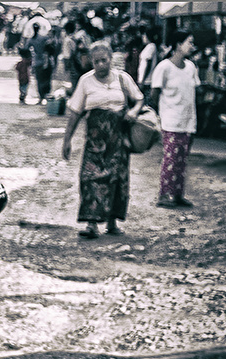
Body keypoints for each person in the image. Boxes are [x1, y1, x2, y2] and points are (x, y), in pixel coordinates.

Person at [62, 41, 144, 239]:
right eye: (96, 61)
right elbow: (75, 112)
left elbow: (139, 99)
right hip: (95, 141)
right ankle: (91, 224)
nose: (100, 65)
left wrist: (133, 111)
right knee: (89, 178)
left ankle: (112, 222)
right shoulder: (85, 81)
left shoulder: (122, 79)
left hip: (118, 140)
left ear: (110, 60)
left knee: (117, 179)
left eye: (104, 61)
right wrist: (67, 140)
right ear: (91, 61)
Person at [151, 31, 200, 209]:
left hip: (188, 121)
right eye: (189, 42)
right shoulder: (164, 67)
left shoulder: (191, 67)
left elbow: (194, 92)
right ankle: (164, 194)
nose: (192, 46)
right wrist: (159, 114)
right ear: (178, 44)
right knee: (170, 159)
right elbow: (154, 93)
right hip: (170, 121)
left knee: (182, 160)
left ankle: (177, 194)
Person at [137, 25, 159, 105]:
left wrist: (142, 80)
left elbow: (148, 64)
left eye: (144, 35)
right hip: (145, 80)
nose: (143, 37)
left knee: (146, 103)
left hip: (147, 81)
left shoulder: (151, 47)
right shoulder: (149, 47)